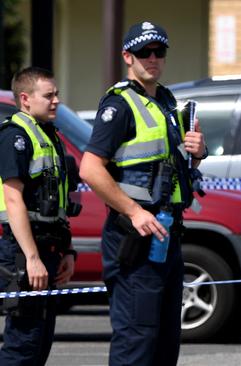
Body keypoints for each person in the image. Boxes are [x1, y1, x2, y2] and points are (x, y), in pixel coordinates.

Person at [79, 21, 206, 365]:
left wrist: (199, 150)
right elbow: (90, 168)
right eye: (143, 52)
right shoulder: (119, 105)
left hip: (168, 236)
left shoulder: (166, 100)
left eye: (159, 51)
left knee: (165, 342)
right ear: (127, 57)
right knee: (137, 340)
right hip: (134, 239)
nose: (152, 58)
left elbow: (174, 159)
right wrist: (134, 211)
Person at [0, 67, 78, 365]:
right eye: (49, 95)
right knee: (23, 343)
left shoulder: (50, 136)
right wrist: (32, 257)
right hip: (23, 251)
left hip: (49, 249)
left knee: (40, 342)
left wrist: (68, 250)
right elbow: (12, 198)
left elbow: (60, 204)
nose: (56, 100)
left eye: (56, 94)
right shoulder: (15, 137)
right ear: (25, 99)